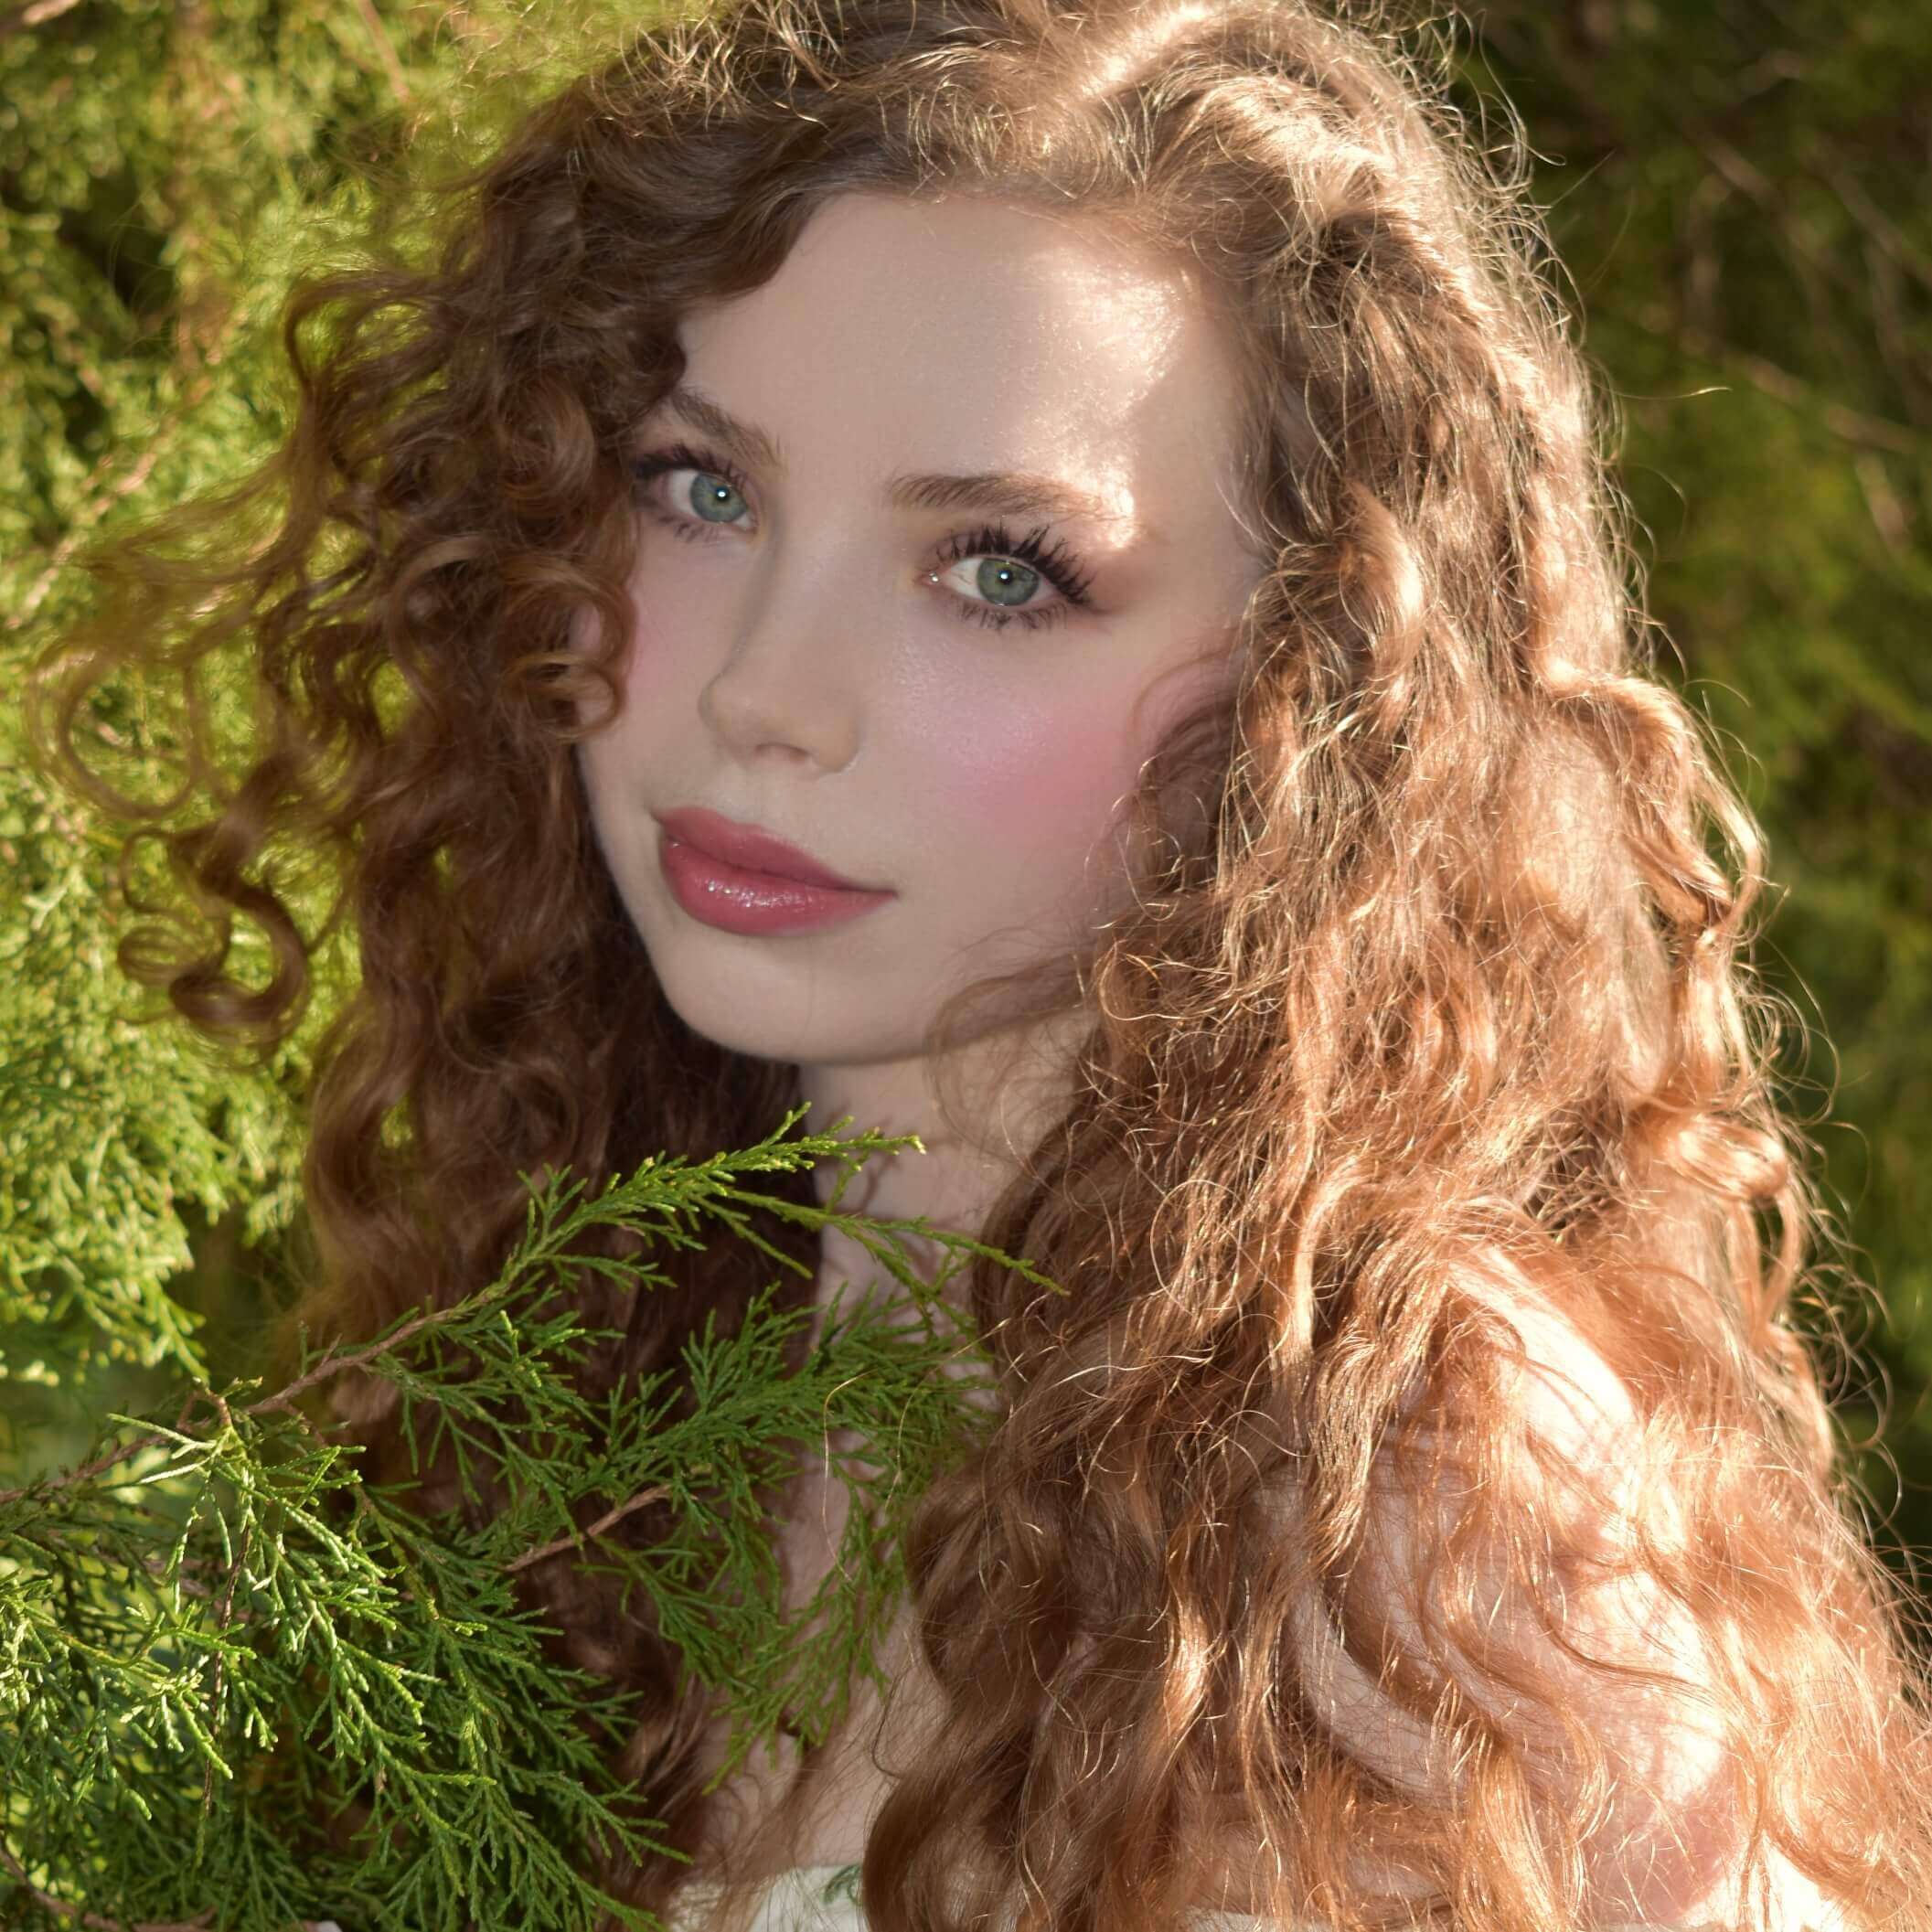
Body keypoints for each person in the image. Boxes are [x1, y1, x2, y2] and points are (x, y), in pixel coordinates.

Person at [23, 0, 1932, 1927]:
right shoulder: (598, 1335)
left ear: (1317, 688)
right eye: (700, 488)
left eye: (1001, 570)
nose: (765, 691)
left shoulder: (1408, 1489)